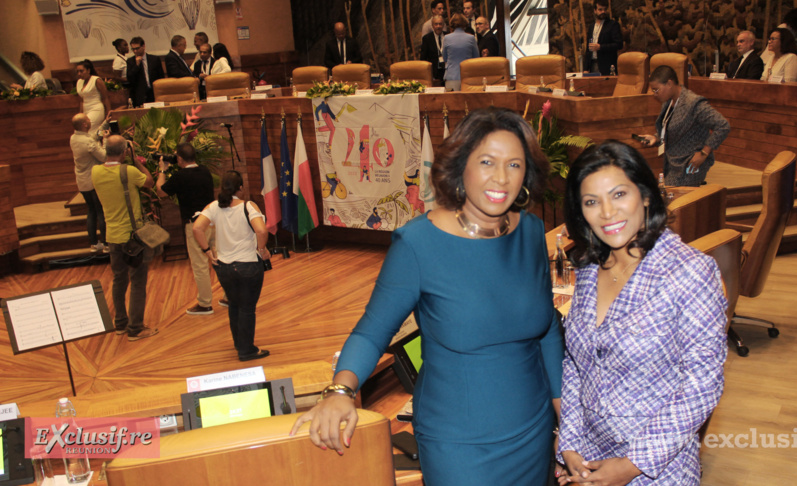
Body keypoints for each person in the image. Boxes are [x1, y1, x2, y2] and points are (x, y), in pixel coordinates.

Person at [290, 107, 563, 485]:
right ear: (460, 166)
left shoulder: (531, 231)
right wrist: (340, 390)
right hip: (459, 444)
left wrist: (563, 410)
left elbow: (547, 325)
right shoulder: (418, 243)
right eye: (487, 161)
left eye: (514, 165)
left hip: (533, 429)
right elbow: (372, 331)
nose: (501, 177)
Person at [557, 140, 727, 485]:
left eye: (619, 194)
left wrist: (633, 464)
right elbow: (576, 363)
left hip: (657, 468)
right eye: (592, 202)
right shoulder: (591, 269)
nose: (607, 213)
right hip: (589, 463)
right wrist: (571, 444)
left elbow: (702, 384)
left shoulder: (690, 271)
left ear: (646, 196)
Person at [193, 170, 271, 362]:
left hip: (224, 267)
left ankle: (239, 344)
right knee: (247, 307)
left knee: (234, 305)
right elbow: (261, 230)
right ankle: (247, 350)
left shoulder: (213, 207)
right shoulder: (248, 206)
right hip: (248, 266)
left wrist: (207, 251)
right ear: (241, 188)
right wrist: (262, 250)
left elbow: (197, 228)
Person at [91, 135, 158, 341]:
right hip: (132, 236)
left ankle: (120, 323)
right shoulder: (128, 171)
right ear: (123, 152)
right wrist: (136, 161)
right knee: (138, 281)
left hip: (112, 235)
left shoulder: (95, 172)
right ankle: (135, 328)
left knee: (119, 279)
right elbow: (149, 182)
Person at [638, 66, 730, 186]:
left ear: (669, 84)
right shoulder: (668, 101)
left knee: (674, 200)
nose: (654, 94)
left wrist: (704, 153)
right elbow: (673, 129)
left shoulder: (693, 103)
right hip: (673, 163)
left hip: (690, 164)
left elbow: (723, 125)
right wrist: (656, 138)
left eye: (656, 90)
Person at [156, 143, 216, 315]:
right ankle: (228, 296)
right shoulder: (205, 171)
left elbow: (161, 191)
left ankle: (205, 304)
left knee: (200, 264)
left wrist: (162, 170)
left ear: (179, 159)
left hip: (195, 225)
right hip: (212, 220)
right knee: (219, 259)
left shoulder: (180, 176)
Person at [70, 113, 107, 253]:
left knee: (91, 211)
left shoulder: (73, 138)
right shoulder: (88, 143)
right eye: (88, 120)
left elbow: (90, 139)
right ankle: (106, 243)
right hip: (93, 180)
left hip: (82, 182)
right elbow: (103, 156)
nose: (90, 121)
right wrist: (106, 140)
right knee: (101, 211)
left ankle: (93, 243)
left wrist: (104, 125)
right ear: (85, 125)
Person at [442, 13, 479, 92]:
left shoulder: (447, 38)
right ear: (465, 23)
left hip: (451, 75)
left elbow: (444, 57)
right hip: (468, 76)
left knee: (452, 102)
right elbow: (476, 57)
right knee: (468, 102)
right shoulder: (471, 38)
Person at [127, 37, 165, 107]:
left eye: (137, 48)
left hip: (154, 93)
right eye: (133, 49)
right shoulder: (130, 61)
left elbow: (161, 77)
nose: (135, 51)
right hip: (140, 95)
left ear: (143, 46)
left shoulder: (154, 59)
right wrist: (137, 65)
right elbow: (130, 78)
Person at [586, 2, 623, 75]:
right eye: (600, 9)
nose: (603, 12)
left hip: (607, 64)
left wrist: (600, 47)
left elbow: (619, 44)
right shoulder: (591, 26)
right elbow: (588, 49)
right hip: (593, 64)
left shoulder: (613, 25)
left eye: (605, 9)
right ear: (595, 10)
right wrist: (586, 68)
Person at [75, 60, 110, 136]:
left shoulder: (96, 80)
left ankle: (93, 145)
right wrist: (80, 114)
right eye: (77, 71)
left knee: (88, 129)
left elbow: (105, 97)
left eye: (81, 71)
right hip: (86, 110)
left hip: (96, 109)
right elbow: (81, 100)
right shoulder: (79, 82)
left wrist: (109, 112)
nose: (79, 74)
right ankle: (102, 138)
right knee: (96, 132)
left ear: (88, 70)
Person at [419, 15, 447, 85]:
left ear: (443, 25)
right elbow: (423, 58)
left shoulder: (448, 36)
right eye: (436, 24)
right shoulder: (427, 39)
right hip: (434, 73)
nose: (438, 26)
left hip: (447, 71)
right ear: (432, 25)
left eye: (440, 24)